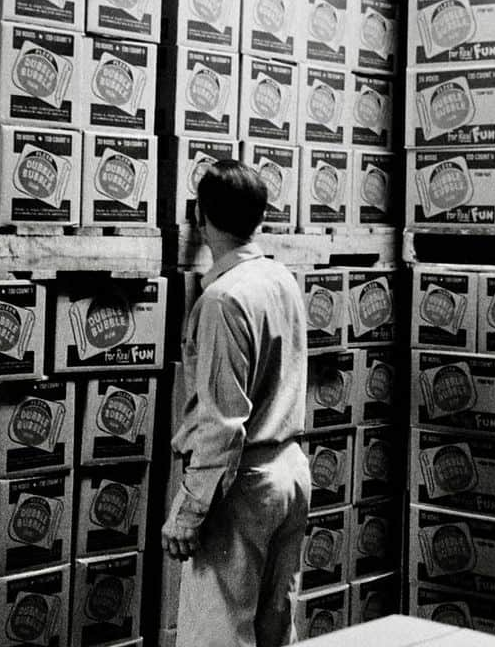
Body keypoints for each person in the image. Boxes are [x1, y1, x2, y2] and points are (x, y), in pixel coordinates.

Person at [162, 159, 311, 647]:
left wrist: (189, 511)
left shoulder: (223, 301)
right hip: (289, 471)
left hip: (242, 486)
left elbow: (223, 422)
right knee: (274, 631)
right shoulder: (280, 278)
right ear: (260, 218)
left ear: (201, 220)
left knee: (218, 638)